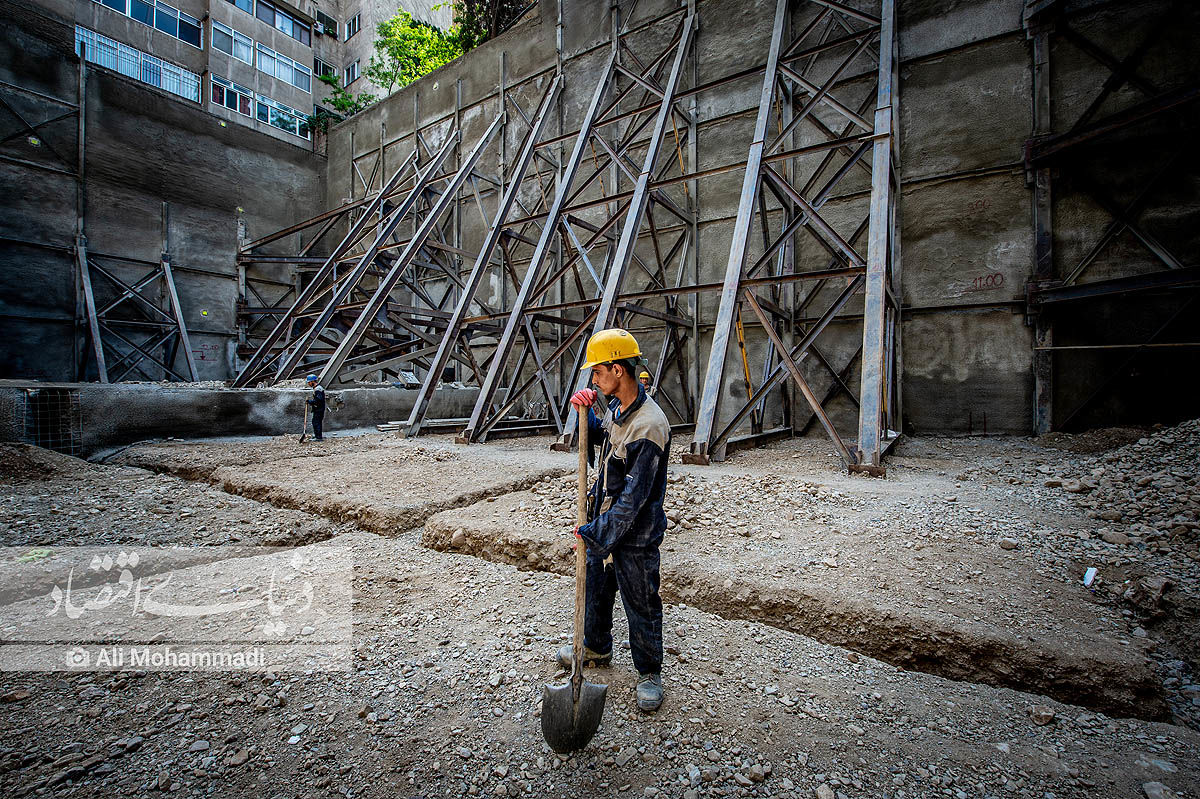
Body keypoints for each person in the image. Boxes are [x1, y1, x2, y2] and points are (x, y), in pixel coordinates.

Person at [556, 328, 671, 713]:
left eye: (598, 373)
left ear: (618, 370)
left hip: (634, 532)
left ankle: (649, 672)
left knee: (640, 600)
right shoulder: (620, 411)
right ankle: (596, 647)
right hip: (607, 520)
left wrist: (593, 534)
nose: (594, 378)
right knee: (597, 589)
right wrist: (587, 411)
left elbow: (634, 501)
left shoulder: (650, 425)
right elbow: (605, 449)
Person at [305, 374, 326, 441]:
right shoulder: (317, 388)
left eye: (309, 382)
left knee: (316, 422)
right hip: (318, 408)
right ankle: (317, 435)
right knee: (315, 422)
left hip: (319, 409)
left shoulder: (318, 389)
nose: (308, 384)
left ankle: (318, 437)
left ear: (312, 381)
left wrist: (310, 402)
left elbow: (318, 400)